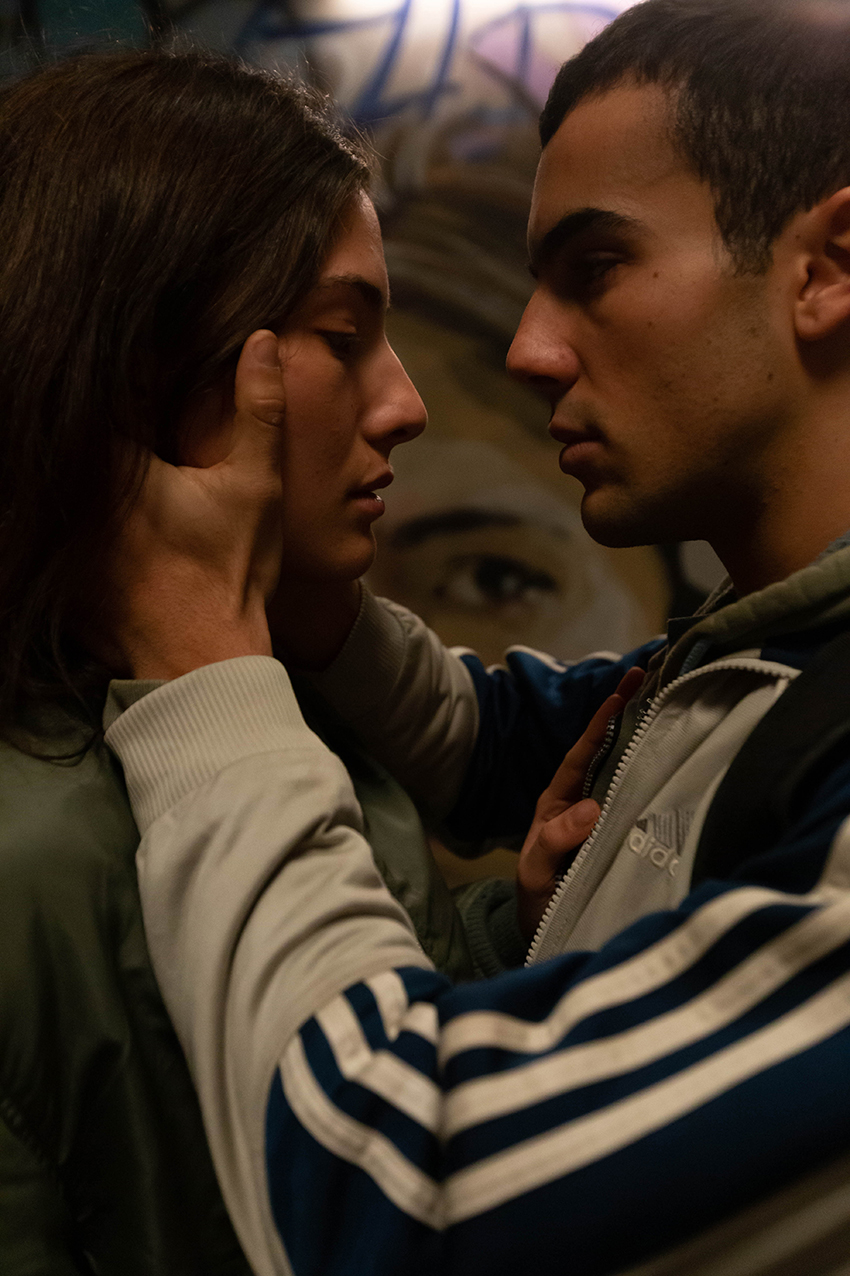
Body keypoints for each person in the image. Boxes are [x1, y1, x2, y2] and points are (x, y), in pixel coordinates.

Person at [101, 1, 850, 1273]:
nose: (527, 349)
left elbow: (401, 1194)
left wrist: (207, 668)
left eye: (593, 267)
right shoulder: (755, 655)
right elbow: (500, 741)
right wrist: (305, 606)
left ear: (827, 268)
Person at [0, 45, 491, 1274]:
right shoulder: (33, 865)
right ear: (143, 367)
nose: (404, 405)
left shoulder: (293, 701)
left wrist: (517, 932)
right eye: (343, 334)